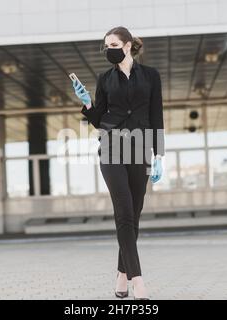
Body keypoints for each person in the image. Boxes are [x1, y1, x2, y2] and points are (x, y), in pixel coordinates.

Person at [72, 26, 165, 300]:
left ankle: (121, 274)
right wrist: (88, 104)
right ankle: (138, 282)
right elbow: (100, 122)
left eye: (112, 44)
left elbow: (156, 115)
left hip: (140, 151)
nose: (108, 50)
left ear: (126, 45)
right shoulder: (105, 79)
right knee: (124, 213)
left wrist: (158, 155)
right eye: (105, 46)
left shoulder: (150, 76)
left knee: (133, 217)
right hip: (111, 150)